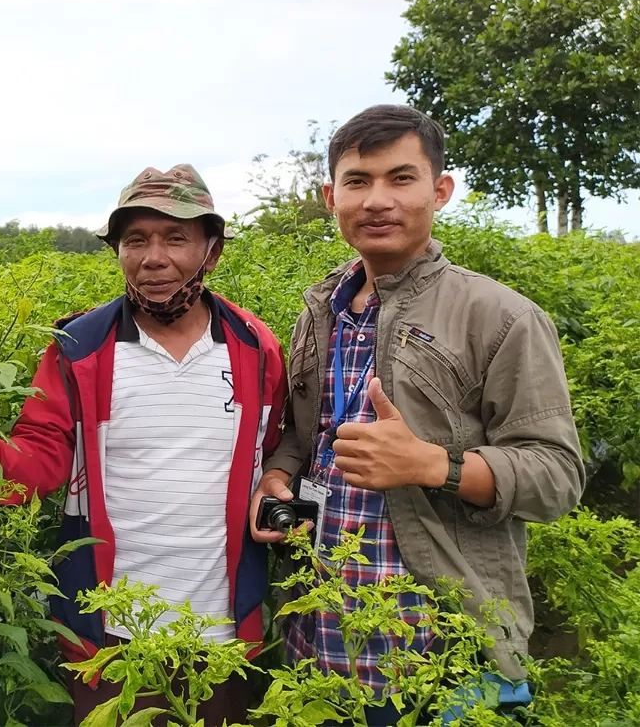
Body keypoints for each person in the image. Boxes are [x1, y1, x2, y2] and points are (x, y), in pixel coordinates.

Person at [0, 164, 288, 726]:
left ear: (211, 252)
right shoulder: (80, 347)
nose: (153, 258)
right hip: (109, 625)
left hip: (224, 622)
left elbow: (276, 448)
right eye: (135, 240)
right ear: (117, 251)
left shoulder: (253, 347)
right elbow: (43, 451)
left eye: (176, 238)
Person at [250, 105, 585, 724]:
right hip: (315, 636)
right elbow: (304, 436)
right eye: (358, 181)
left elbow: (557, 476)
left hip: (440, 648)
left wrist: (433, 465)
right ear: (331, 197)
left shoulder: (502, 316)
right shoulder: (320, 311)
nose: (378, 200)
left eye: (401, 178)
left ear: (440, 190)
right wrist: (277, 476)